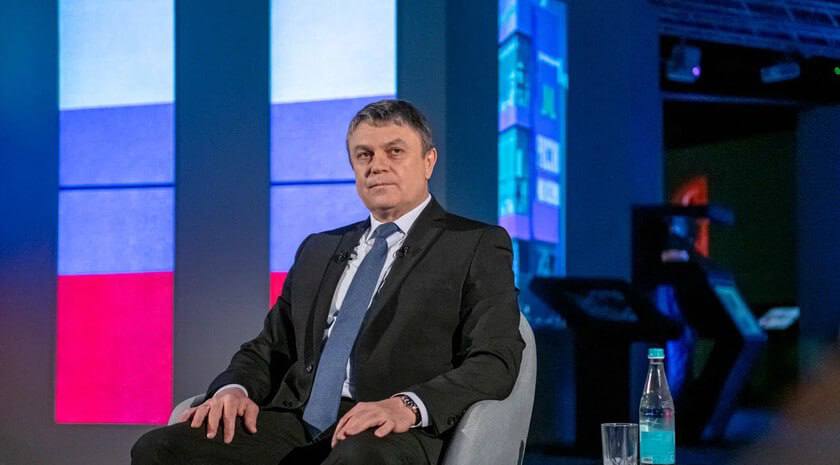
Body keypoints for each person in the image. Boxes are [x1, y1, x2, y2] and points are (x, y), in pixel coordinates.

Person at [131, 99, 524, 465]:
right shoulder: (319, 248)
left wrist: (406, 405)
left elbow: (495, 359)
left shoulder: (474, 244)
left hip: (390, 427)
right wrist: (234, 389)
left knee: (358, 458)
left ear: (428, 161)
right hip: (297, 420)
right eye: (364, 155)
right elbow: (270, 347)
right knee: (160, 448)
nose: (377, 165)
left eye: (395, 151)